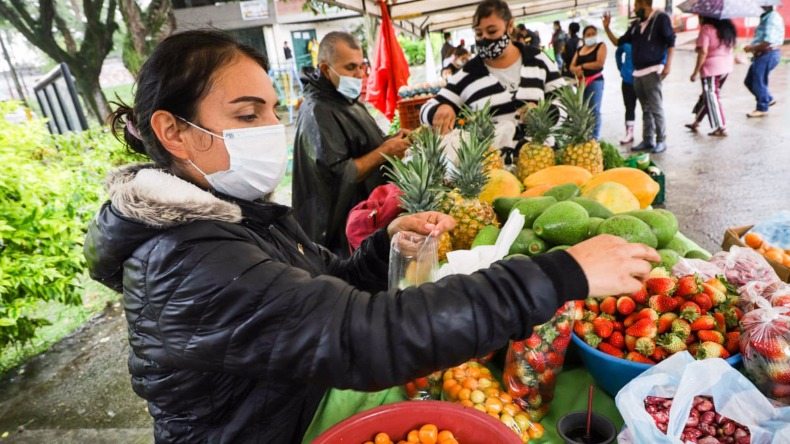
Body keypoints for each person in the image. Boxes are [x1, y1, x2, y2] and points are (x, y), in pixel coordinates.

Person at [87, 29, 660, 443]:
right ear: (174, 133)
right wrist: (562, 273)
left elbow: (316, 292)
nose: (269, 128)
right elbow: (357, 334)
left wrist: (385, 247)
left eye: (269, 110)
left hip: (295, 398)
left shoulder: (230, 213)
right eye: (245, 114)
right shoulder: (184, 262)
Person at [293, 32, 410, 257]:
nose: (359, 75)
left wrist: (393, 140)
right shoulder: (317, 110)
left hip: (370, 216)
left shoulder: (348, 102)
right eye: (350, 68)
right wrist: (385, 150)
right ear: (326, 70)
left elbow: (364, 146)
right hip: (342, 234)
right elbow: (338, 172)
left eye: (361, 66)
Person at [420, 0, 565, 161]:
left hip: (544, 161)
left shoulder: (538, 60)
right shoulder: (469, 73)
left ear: (510, 26)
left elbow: (565, 102)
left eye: (492, 31)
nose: (485, 39)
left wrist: (546, 113)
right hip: (495, 172)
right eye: (479, 34)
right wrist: (442, 108)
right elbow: (426, 109)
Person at [603, 0, 675, 154]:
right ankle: (648, 139)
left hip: (653, 70)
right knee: (646, 109)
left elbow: (671, 42)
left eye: (636, 6)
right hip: (638, 73)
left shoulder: (660, 19)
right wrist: (607, 28)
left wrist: (667, 65)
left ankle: (661, 140)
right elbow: (618, 42)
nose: (634, 9)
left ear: (644, 3)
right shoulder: (636, 25)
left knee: (655, 107)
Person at [686, 17, 736, 137]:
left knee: (711, 96)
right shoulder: (726, 28)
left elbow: (703, 51)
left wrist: (695, 72)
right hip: (726, 67)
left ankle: (722, 127)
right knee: (708, 96)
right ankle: (696, 122)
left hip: (712, 69)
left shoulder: (706, 29)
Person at [743, 6, 785, 118]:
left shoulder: (772, 18)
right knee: (749, 81)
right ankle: (767, 99)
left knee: (758, 81)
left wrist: (751, 48)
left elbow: (768, 41)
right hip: (763, 54)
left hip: (768, 53)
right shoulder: (766, 17)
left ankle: (762, 107)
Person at [570, 25, 607, 140]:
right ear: (584, 36)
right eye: (588, 34)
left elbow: (599, 63)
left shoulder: (601, 46)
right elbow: (572, 66)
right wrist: (577, 71)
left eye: (593, 34)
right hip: (581, 83)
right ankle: (585, 136)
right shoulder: (580, 50)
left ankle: (594, 137)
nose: (591, 36)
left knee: (594, 109)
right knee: (583, 110)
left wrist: (582, 66)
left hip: (594, 80)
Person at [616, 41, 637, 144]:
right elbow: (618, 52)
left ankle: (648, 136)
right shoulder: (627, 42)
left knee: (648, 108)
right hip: (628, 79)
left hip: (643, 77)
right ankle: (629, 132)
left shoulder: (646, 37)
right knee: (629, 107)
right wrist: (621, 67)